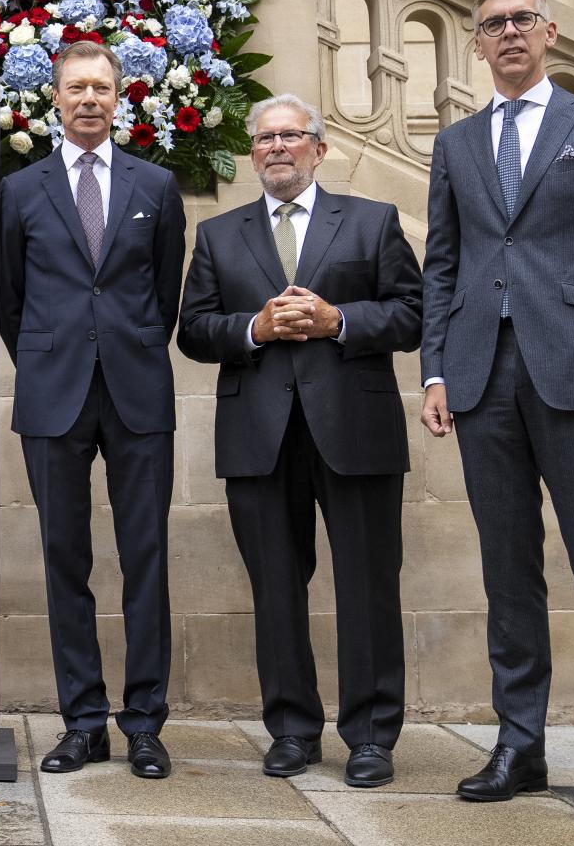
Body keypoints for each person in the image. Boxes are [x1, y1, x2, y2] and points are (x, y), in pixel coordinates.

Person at [420, 0, 574, 820]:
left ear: (550, 34)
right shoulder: (456, 145)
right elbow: (441, 266)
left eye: (522, 20)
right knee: (508, 573)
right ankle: (520, 744)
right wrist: (436, 370)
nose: (509, 33)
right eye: (493, 25)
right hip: (483, 378)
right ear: (476, 45)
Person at [176, 94, 421, 787]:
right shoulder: (221, 236)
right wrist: (254, 329)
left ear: (318, 149)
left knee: (368, 586)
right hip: (259, 434)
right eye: (265, 139)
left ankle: (371, 737)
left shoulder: (372, 223)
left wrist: (337, 319)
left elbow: (413, 314)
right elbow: (193, 329)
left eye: (292, 136)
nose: (277, 147)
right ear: (252, 154)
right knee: (276, 587)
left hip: (356, 429)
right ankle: (291, 729)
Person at [0, 41, 187, 779]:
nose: (88, 99)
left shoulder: (157, 185)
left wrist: (127, 347)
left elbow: (164, 287)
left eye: (100, 89)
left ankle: (144, 723)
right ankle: (83, 721)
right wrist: (50, 353)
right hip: (54, 394)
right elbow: (9, 300)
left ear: (120, 99)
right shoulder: (21, 189)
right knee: (63, 560)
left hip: (138, 391)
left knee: (145, 559)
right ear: (55, 98)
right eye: (75, 87)